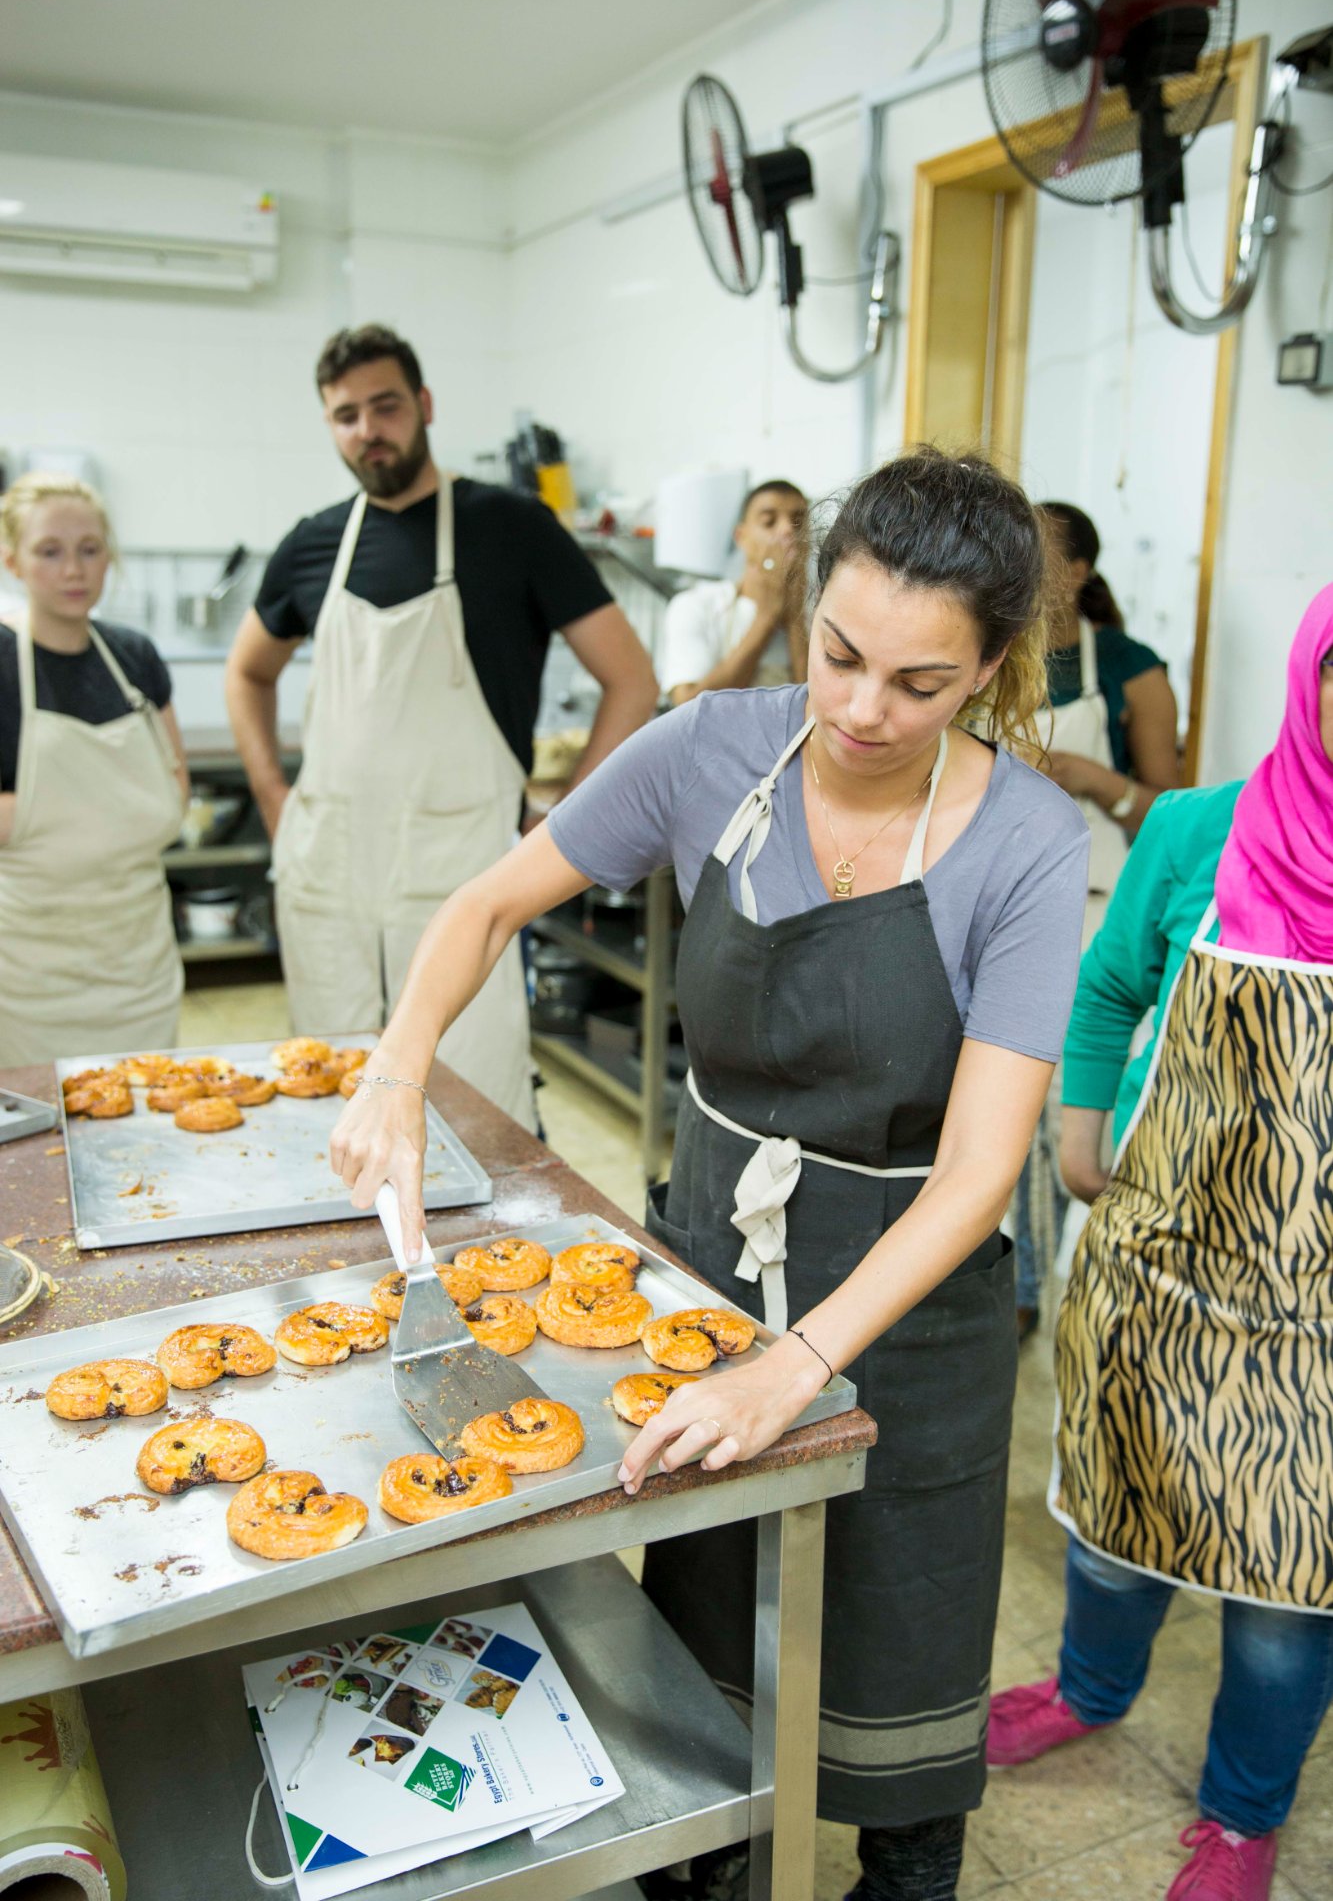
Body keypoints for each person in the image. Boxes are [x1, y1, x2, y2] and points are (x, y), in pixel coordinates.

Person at [329, 448, 1090, 1901]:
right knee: (706, 1587)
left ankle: (909, 1861)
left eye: (919, 687)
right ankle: (713, 1851)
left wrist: (794, 1366)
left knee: (898, 1613)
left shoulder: (1028, 848)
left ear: (991, 671)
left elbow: (981, 1172)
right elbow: (490, 900)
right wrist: (396, 1062)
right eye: (839, 656)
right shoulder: (707, 754)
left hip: (908, 1283)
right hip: (712, 1248)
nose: (863, 711)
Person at [988, 583, 1333, 1901]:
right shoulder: (1194, 830)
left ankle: (1244, 1815)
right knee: (1117, 1531)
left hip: (1320, 1314)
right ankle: (1090, 1689)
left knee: (1287, 1598)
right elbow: (1110, 983)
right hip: (1161, 1268)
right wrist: (1078, 1128)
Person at [224, 324, 656, 1127]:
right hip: (330, 875)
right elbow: (247, 671)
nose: (367, 430)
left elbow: (630, 679)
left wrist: (561, 826)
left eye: (384, 406)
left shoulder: (512, 527)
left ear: (422, 406)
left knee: (474, 1106)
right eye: (345, 414)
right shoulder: (313, 544)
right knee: (333, 1093)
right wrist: (272, 792)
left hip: (461, 874)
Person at [1011, 501, 1181, 1341]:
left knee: (1052, 1106)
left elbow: (1169, 813)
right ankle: (998, 1272)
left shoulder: (1129, 669)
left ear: (1077, 572)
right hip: (994, 902)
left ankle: (1035, 1283)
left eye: (1037, 554)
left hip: (1089, 910)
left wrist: (1084, 773)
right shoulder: (988, 652)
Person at [0, 473, 188, 1067]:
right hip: (29, 978)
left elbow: (173, 782)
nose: (74, 570)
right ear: (13, 562)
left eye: (90, 549)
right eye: (49, 552)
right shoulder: (3, 663)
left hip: (139, 966)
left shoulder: (135, 658)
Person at [658, 479, 809, 705]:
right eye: (769, 522)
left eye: (798, 523)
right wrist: (766, 618)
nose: (787, 531)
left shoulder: (822, 613)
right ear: (741, 537)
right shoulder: (696, 606)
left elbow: (817, 714)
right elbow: (688, 707)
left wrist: (795, 615)